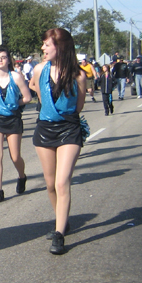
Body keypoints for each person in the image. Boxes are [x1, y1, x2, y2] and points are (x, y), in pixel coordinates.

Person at [29, 28, 87, 256]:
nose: (43, 48)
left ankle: (60, 234)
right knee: (50, 183)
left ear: (60, 47)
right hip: (45, 130)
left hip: (69, 130)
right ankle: (61, 221)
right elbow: (42, 100)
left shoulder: (79, 75)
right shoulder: (39, 69)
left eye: (47, 44)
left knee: (63, 182)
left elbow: (79, 106)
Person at [0, 48, 31, 203]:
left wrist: (13, 104)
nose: (0, 60)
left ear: (9, 60)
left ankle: (22, 176)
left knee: (15, 156)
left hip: (13, 119)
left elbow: (27, 97)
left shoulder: (17, 77)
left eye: (3, 57)